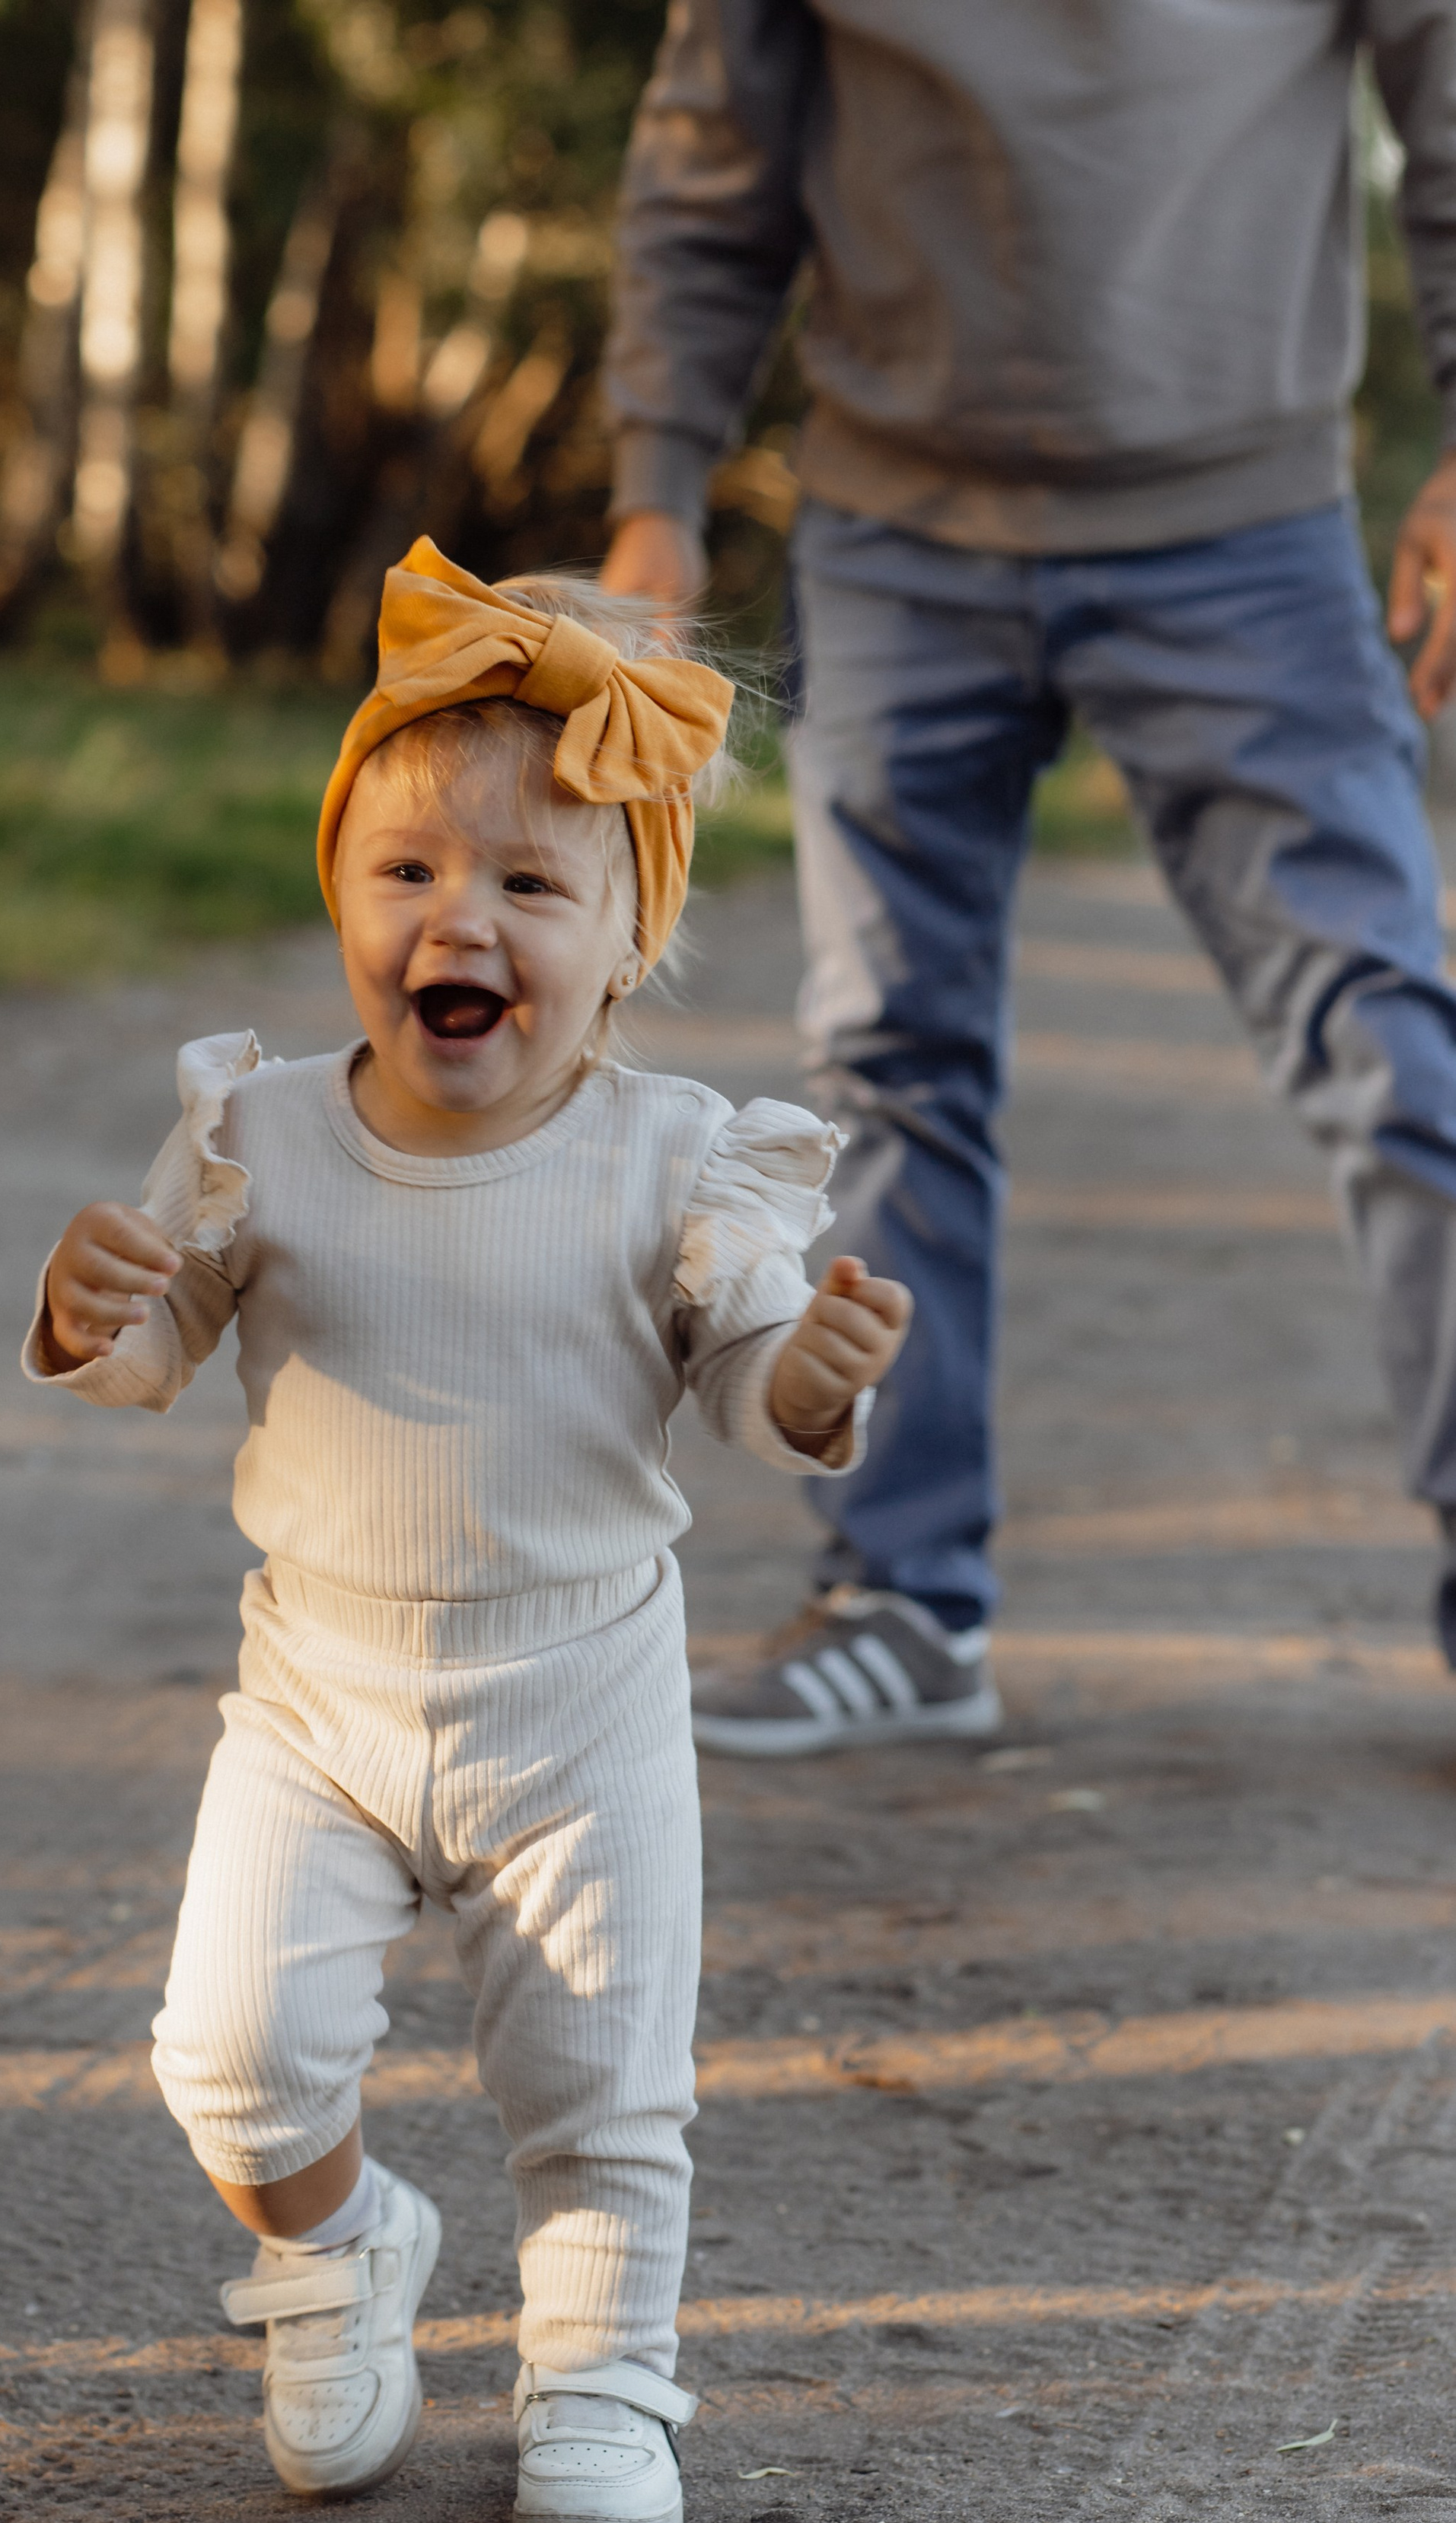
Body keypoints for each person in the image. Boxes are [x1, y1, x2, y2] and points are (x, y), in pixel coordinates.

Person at [22, 541, 907, 2523]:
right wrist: (91, 1305)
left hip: (580, 1691)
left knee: (604, 2089)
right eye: (408, 870)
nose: (460, 921)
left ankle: (598, 2392)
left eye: (530, 884)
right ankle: (339, 2244)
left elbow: (758, 1375)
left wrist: (824, 1378)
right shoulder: (260, 1132)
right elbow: (152, 1345)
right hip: (317, 1691)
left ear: (623, 938)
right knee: (229, 2053)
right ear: (340, 890)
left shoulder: (672, 1158)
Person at [601, 2, 1456, 1755]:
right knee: (884, 1066)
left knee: (1395, 1048)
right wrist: (656, 486)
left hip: (1245, 542)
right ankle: (903, 1602)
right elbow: (713, 151)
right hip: (897, 532)